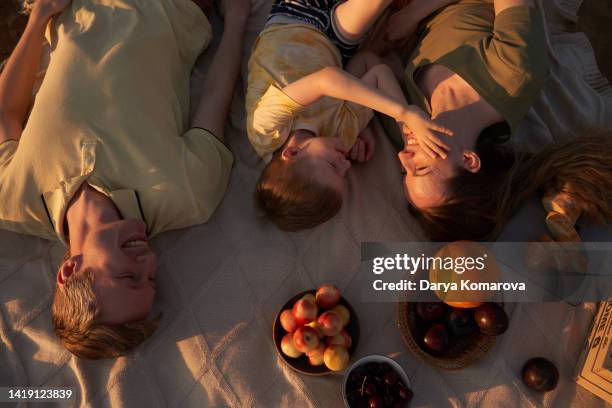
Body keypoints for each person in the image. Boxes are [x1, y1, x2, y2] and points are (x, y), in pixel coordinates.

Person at [0, 0, 249, 358]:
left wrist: (39, 17)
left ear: (70, 269)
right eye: (150, 279)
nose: (148, 262)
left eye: (129, 276)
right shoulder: (187, 196)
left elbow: (6, 112)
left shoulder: (14, 200)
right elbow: (215, 94)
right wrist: (238, 19)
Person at [381, 0, 612, 241]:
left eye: (403, 171)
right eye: (420, 168)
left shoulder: (406, 125)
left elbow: (375, 64)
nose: (402, 157)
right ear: (468, 160)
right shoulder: (512, 73)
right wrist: (414, 13)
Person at [246, 0, 452, 231]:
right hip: (337, 43)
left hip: (296, 17)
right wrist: (406, 130)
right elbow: (374, 69)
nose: (345, 165)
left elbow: (326, 80)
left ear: (292, 152)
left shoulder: (266, 129)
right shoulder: (341, 135)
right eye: (343, 175)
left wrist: (403, 112)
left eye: (333, 166)